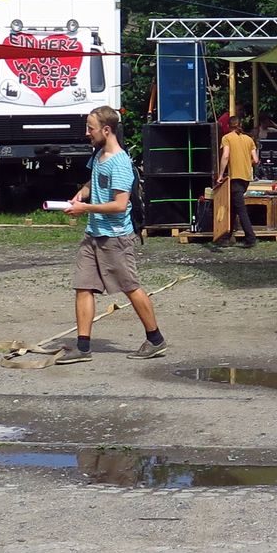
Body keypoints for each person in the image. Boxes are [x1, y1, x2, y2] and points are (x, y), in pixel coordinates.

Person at [58, 106, 168, 363]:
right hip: (93, 234)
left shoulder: (119, 163)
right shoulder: (98, 156)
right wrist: (80, 195)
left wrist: (85, 208)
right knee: (83, 286)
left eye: (91, 128)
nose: (87, 133)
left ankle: (156, 339)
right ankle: (82, 347)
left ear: (106, 130)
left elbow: (119, 205)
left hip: (116, 238)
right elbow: (92, 182)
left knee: (130, 287)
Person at [215, 114, 258, 249]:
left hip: (235, 178)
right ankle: (227, 236)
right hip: (246, 177)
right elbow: (255, 160)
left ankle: (250, 238)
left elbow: (226, 156)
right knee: (234, 206)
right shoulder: (249, 139)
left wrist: (220, 175)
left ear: (228, 126)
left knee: (240, 208)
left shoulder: (227, 138)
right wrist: (245, 162)